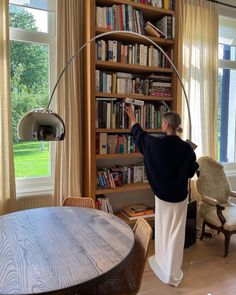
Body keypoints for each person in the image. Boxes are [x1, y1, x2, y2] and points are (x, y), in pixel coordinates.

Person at [125, 105, 199, 287]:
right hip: (179, 198)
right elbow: (190, 172)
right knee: (176, 234)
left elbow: (139, 134)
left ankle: (162, 262)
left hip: (162, 197)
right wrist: (194, 161)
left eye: (163, 122)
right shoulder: (187, 149)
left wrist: (133, 117)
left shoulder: (154, 144)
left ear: (166, 124)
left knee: (163, 230)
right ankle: (172, 273)